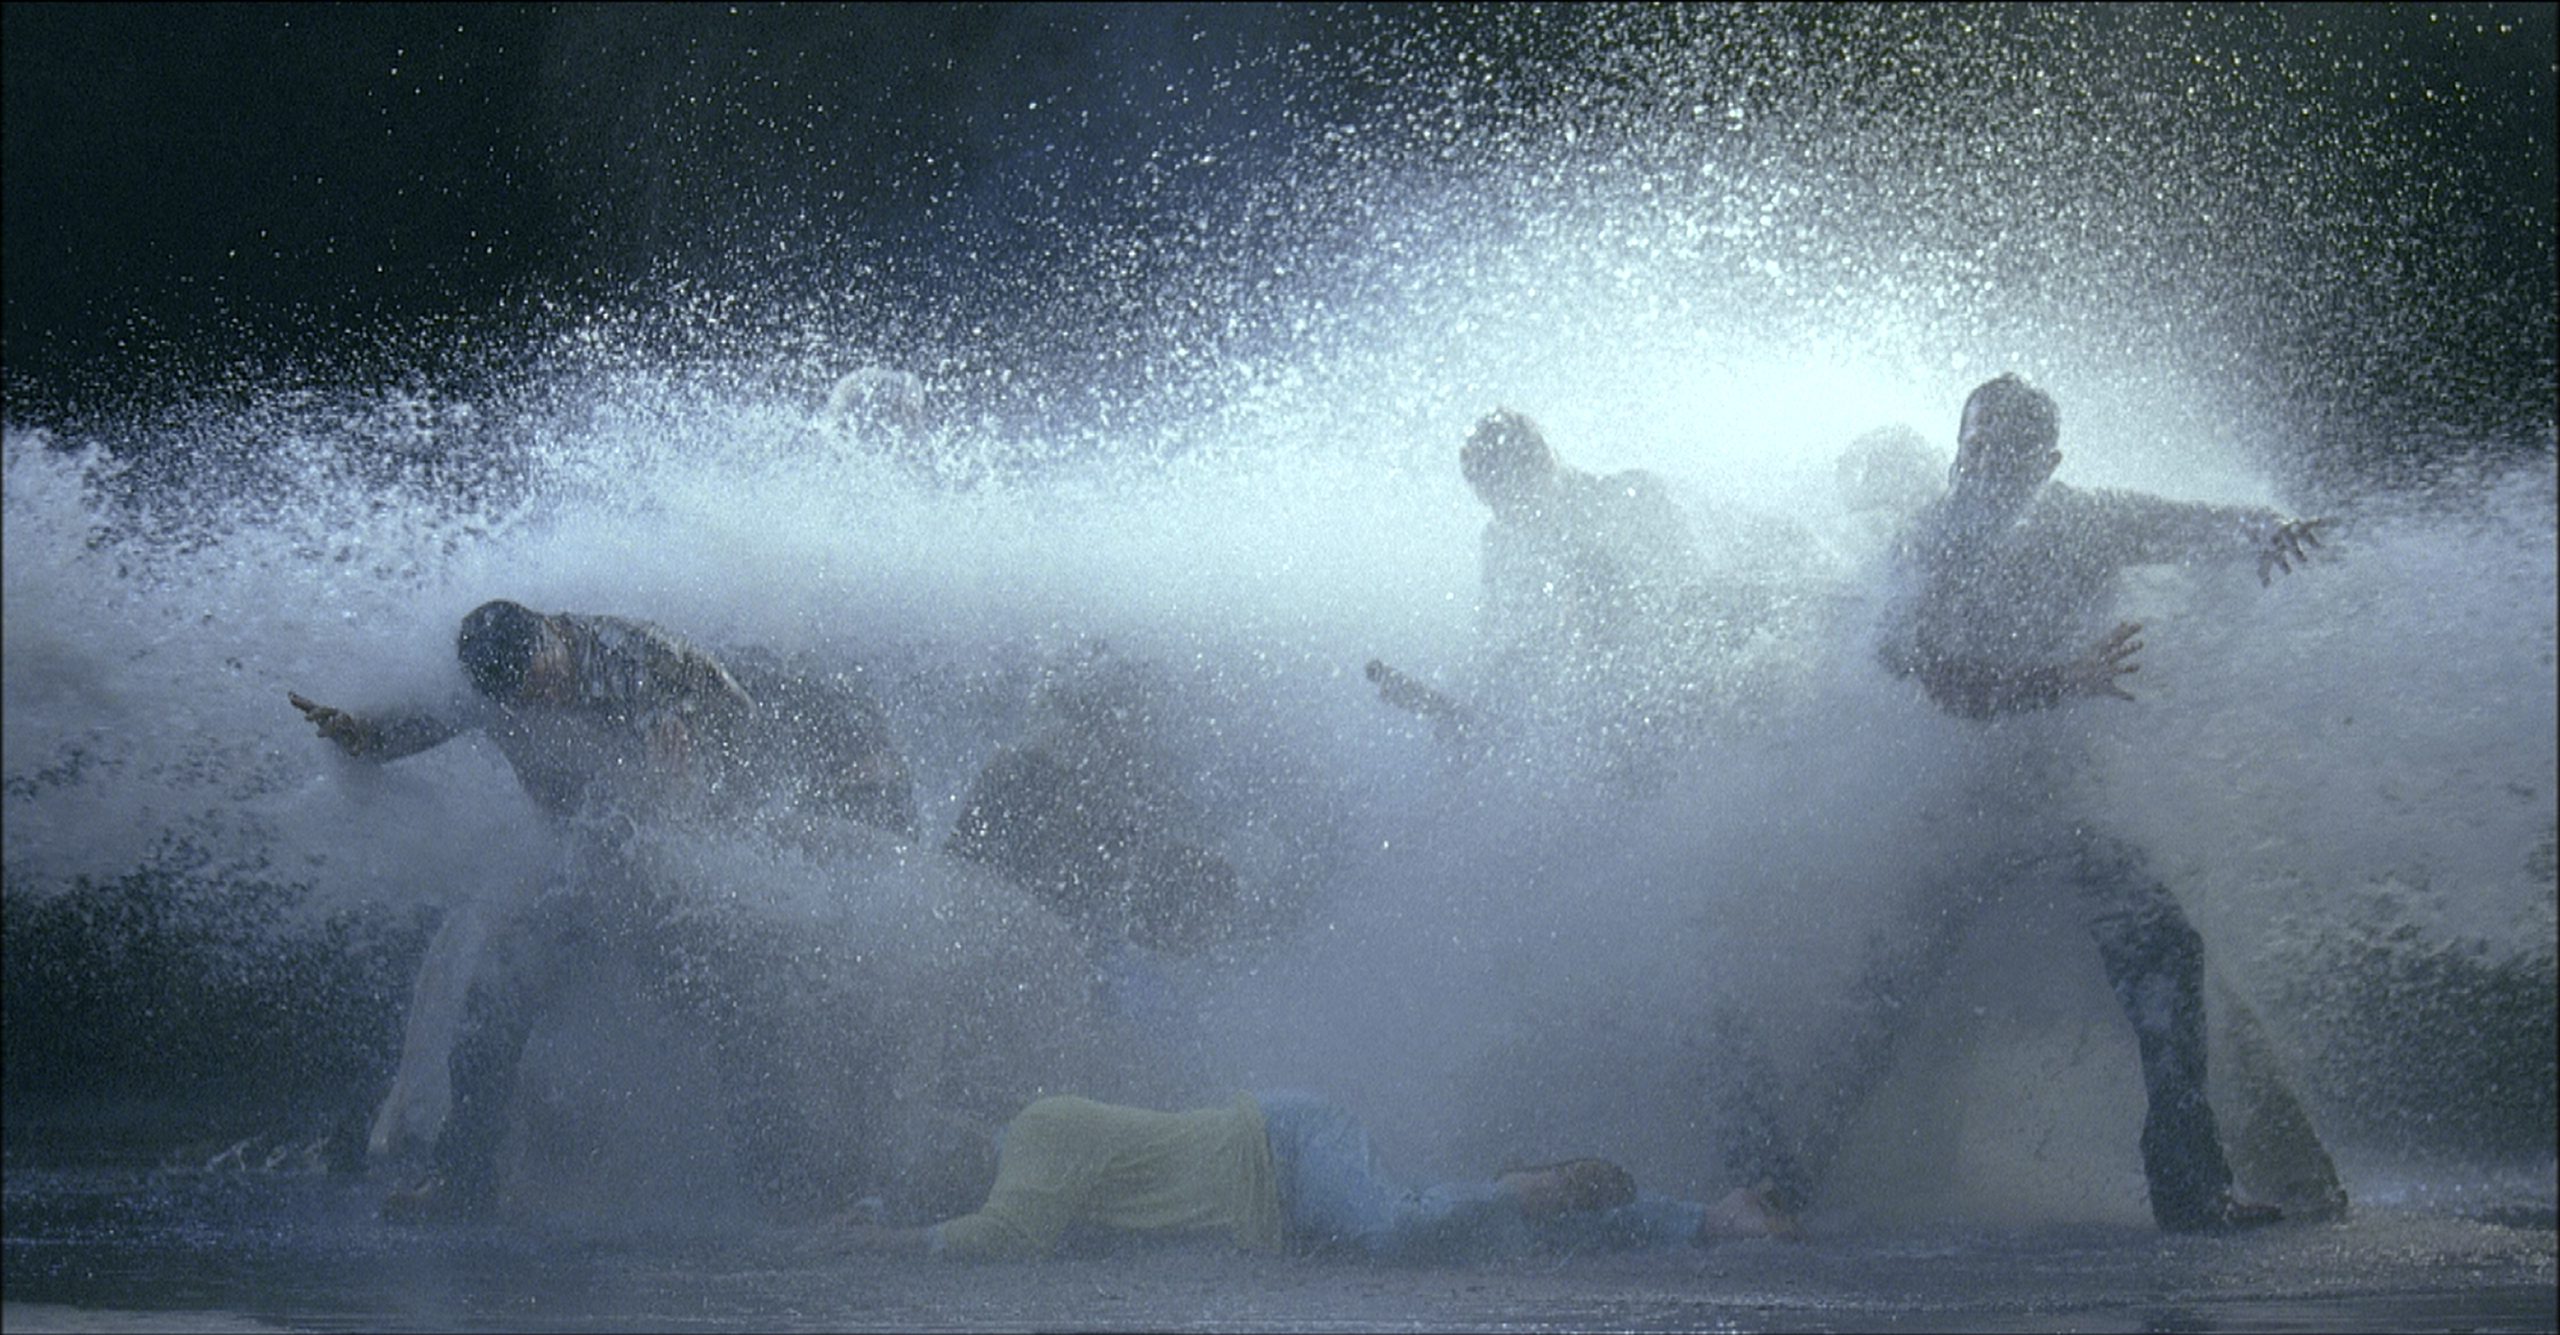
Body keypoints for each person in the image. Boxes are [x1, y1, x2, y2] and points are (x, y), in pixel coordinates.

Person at [1871, 372, 2329, 1232]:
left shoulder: (2080, 521)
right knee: (1885, 994)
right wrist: (2064, 678)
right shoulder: (1926, 542)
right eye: (1974, 449)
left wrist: (2265, 531)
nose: (1985, 470)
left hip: (2060, 808)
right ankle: (1776, 1181)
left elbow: (2185, 524)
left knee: (2168, 951)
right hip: (1949, 815)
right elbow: (1939, 680)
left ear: (2047, 464)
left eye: (2009, 456)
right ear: (1957, 449)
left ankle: (2195, 1187)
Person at [293, 600, 912, 1220]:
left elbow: (735, 752)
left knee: (726, 1000)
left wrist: (683, 790)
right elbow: (431, 721)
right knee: (494, 990)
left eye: (546, 683)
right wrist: (363, 735)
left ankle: (791, 1192)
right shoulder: (494, 681)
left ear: (552, 635)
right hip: (583, 864)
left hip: (679, 858)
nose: (542, 702)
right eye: (524, 699)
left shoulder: (638, 661)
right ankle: (466, 1183)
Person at [833, 1090, 1794, 1261]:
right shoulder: (1029, 1187)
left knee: (1401, 1229)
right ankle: (1706, 1218)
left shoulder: (1033, 1135)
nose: (931, 1158)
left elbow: (1003, 1236)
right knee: (1458, 1240)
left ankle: (1532, 1181)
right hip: (1281, 1210)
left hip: (1283, 1145)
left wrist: (878, 1242)